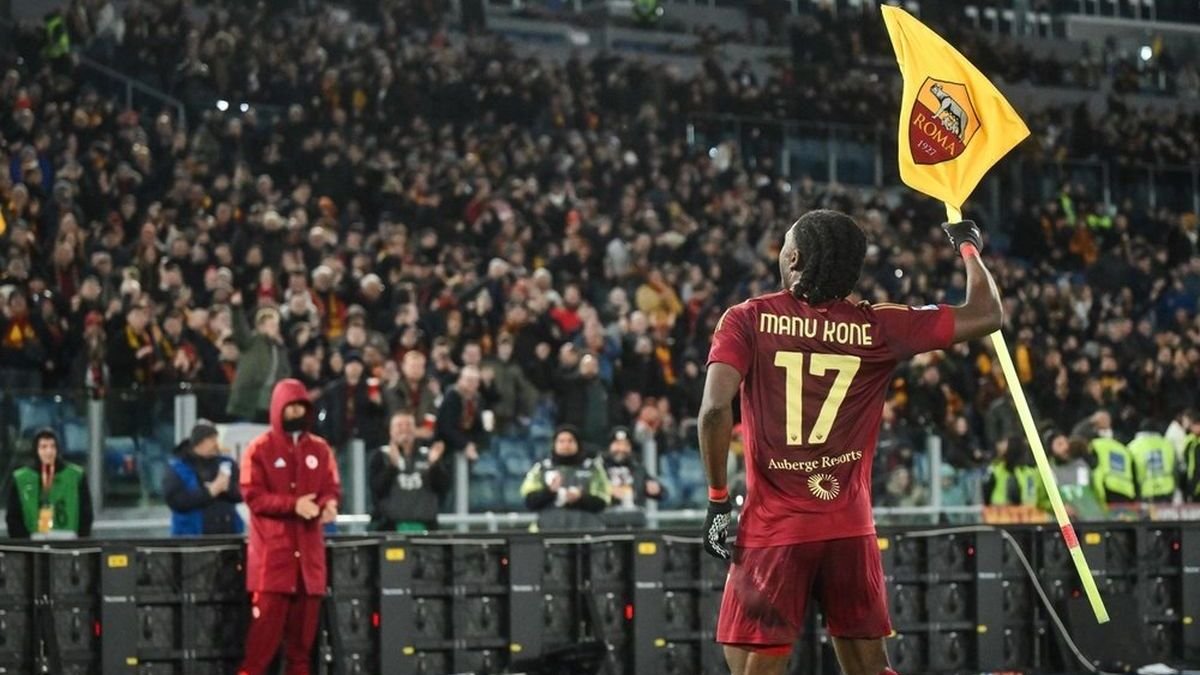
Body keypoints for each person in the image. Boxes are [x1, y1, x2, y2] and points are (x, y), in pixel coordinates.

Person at [699, 211, 1003, 675]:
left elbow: (714, 410)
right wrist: (968, 248)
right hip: (850, 529)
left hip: (775, 531)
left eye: (785, 243)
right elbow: (987, 314)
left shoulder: (748, 319)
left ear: (794, 258)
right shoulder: (879, 326)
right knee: (870, 667)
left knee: (750, 667)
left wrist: (718, 499)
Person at [238, 379, 341, 675]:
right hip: (273, 566)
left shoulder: (321, 449)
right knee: (259, 653)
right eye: (290, 407)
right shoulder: (258, 449)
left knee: (301, 653)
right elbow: (253, 496)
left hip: (309, 569)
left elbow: (331, 487)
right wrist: (293, 505)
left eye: (300, 407)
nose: (296, 413)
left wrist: (330, 505)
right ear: (277, 409)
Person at [520, 425, 612, 531]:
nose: (566, 445)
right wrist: (549, 491)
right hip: (546, 531)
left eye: (570, 441)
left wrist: (580, 498)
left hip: (587, 531)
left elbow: (603, 501)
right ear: (554, 444)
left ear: (578, 444)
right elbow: (529, 502)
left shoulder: (593, 469)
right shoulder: (541, 468)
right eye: (561, 441)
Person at [369, 411, 450, 532]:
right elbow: (376, 489)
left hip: (426, 527)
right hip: (389, 528)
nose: (404, 429)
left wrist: (434, 466)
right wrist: (392, 466)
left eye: (408, 425)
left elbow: (443, 488)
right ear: (391, 431)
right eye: (399, 426)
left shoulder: (428, 455)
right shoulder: (381, 455)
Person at [6, 429, 93, 538]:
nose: (49, 451)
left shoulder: (76, 476)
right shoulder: (21, 479)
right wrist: (25, 542)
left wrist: (80, 541)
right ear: (36, 450)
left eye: (52, 446)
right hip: (32, 542)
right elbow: (13, 517)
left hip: (70, 541)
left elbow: (86, 515)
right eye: (44, 447)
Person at [163, 422, 244, 536]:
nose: (216, 444)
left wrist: (228, 488)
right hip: (191, 536)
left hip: (229, 533)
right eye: (212, 440)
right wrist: (210, 492)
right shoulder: (178, 467)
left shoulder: (226, 463)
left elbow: (244, 493)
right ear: (200, 442)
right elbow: (176, 501)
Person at [226, 293, 291, 423]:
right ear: (260, 327)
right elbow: (240, 330)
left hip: (269, 404)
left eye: (276, 325)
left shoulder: (279, 348)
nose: (275, 328)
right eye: (271, 325)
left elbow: (285, 372)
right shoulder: (252, 341)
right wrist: (236, 309)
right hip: (247, 402)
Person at [603, 426, 663, 527]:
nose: (621, 449)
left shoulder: (638, 469)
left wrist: (657, 489)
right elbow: (588, 491)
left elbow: (661, 493)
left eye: (625, 445)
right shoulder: (599, 467)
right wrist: (608, 490)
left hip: (635, 525)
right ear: (610, 446)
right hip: (605, 525)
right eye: (617, 444)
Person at [1127, 424, 1177, 503]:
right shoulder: (1167, 444)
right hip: (1167, 489)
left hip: (1145, 491)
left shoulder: (1132, 446)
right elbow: (1175, 467)